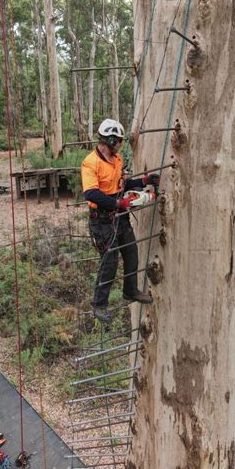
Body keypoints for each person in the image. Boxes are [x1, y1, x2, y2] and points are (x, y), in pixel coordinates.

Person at [81, 119, 157, 323]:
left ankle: (130, 290)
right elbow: (91, 194)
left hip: (119, 217)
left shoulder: (117, 160)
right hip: (102, 221)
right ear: (110, 140)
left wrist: (143, 182)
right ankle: (99, 304)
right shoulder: (91, 162)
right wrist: (118, 203)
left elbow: (121, 184)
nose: (121, 145)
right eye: (119, 141)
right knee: (110, 262)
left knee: (131, 252)